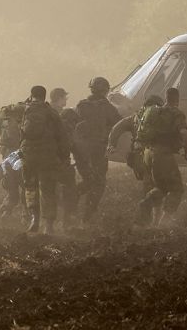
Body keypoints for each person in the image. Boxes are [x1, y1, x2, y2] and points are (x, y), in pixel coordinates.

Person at [135, 87, 187, 226]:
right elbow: (184, 133)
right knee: (177, 189)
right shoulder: (175, 113)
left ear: (166, 97)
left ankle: (146, 203)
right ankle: (165, 221)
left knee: (162, 187)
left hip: (148, 153)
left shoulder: (154, 112)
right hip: (162, 155)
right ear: (177, 99)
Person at [19, 85, 68, 234]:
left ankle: (34, 218)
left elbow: (3, 114)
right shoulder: (51, 112)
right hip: (47, 156)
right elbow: (62, 137)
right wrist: (64, 157)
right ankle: (48, 226)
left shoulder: (24, 109)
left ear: (31, 95)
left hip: (28, 155)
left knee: (30, 187)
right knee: (47, 189)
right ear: (45, 96)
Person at [73, 76, 121, 225]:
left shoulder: (81, 105)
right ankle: (87, 215)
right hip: (98, 150)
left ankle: (70, 199)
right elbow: (119, 123)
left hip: (81, 151)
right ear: (105, 91)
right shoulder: (107, 107)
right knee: (98, 183)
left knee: (88, 180)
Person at [108, 94, 164, 201]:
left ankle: (148, 206)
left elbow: (116, 129)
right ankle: (148, 207)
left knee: (149, 183)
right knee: (155, 184)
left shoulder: (134, 118)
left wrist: (112, 144)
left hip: (139, 157)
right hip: (155, 156)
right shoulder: (161, 118)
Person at [0, 100, 27, 219]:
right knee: (25, 186)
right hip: (22, 156)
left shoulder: (3, 120)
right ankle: (26, 215)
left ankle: (6, 213)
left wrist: (3, 113)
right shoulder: (26, 119)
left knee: (11, 188)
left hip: (7, 156)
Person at [50, 88, 82, 229]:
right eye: (64, 97)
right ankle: (67, 220)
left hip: (44, 157)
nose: (66, 100)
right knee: (69, 188)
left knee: (48, 190)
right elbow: (68, 141)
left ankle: (47, 223)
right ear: (58, 98)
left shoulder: (44, 112)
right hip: (59, 159)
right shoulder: (60, 115)